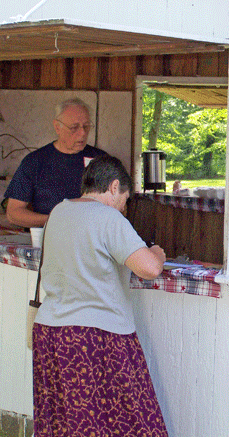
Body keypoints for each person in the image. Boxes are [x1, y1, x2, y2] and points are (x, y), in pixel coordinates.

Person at [32, 155, 168, 436]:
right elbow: (150, 268)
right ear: (114, 187)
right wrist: (157, 252)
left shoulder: (59, 211)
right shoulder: (108, 217)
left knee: (68, 423)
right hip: (95, 337)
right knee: (126, 419)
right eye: (125, 199)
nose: (124, 207)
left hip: (52, 332)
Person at [4, 97, 108, 228]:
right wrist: (56, 220)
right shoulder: (35, 161)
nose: (82, 133)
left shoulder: (101, 161)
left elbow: (121, 207)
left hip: (92, 239)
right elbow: (13, 213)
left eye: (86, 127)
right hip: (49, 240)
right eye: (74, 127)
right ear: (57, 127)